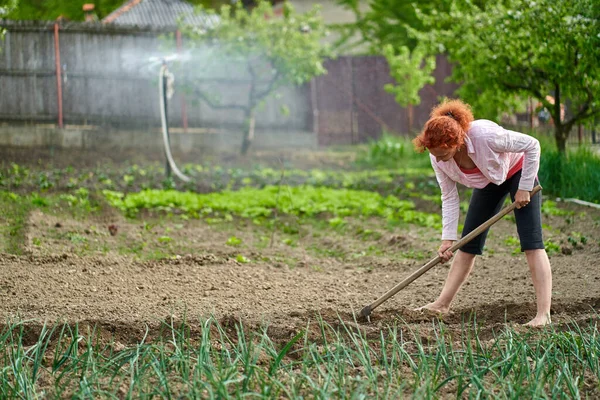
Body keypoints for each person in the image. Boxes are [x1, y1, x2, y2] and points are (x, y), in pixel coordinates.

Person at [413, 99, 552, 327]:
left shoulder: (485, 135)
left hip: (518, 171)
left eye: (442, 154)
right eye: (434, 154)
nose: (437, 159)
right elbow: (449, 196)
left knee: (532, 242)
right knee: (467, 244)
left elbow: (532, 145)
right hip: (489, 181)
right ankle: (441, 305)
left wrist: (525, 187)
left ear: (456, 143)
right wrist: (448, 239)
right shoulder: (437, 157)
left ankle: (543, 315)